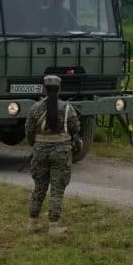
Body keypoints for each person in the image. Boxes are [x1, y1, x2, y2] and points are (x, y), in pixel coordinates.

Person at [25, 74, 82, 234]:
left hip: (40, 151)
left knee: (39, 188)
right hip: (61, 152)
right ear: (59, 89)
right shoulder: (68, 108)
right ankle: (54, 226)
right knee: (57, 190)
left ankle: (32, 223)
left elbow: (29, 133)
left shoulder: (35, 108)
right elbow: (75, 129)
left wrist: (37, 145)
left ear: (44, 89)